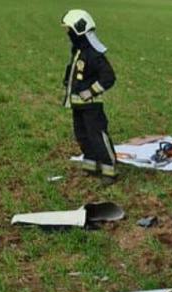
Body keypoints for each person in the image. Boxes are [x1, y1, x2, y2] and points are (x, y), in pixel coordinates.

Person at [61, 9, 118, 181]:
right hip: (77, 104)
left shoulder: (94, 54)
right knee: (82, 135)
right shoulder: (78, 50)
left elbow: (109, 77)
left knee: (97, 135)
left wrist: (91, 91)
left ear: (80, 29)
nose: (68, 33)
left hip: (91, 106)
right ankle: (91, 164)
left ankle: (109, 169)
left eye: (70, 29)